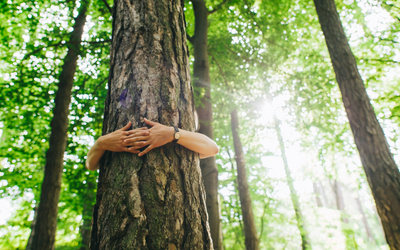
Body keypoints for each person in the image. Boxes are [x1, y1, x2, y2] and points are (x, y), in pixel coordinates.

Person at [86, 118, 219, 170]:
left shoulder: (189, 140)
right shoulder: (110, 139)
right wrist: (100, 143)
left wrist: (172, 133)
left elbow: (213, 148)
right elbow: (91, 165)